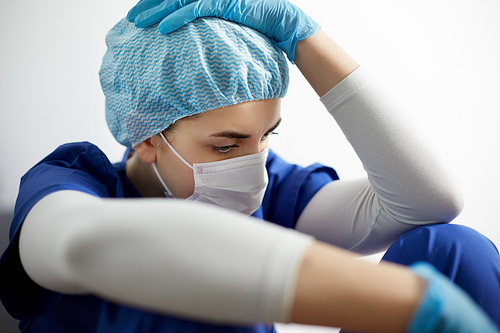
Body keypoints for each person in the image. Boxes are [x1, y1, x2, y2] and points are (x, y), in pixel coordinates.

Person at [0, 0, 499, 332]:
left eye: (266, 136)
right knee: (199, 291)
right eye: (225, 146)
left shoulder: (271, 188)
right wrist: (406, 303)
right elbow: (79, 244)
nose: (253, 168)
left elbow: (428, 201)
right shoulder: (71, 183)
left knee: (452, 252)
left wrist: (305, 38)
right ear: (146, 137)